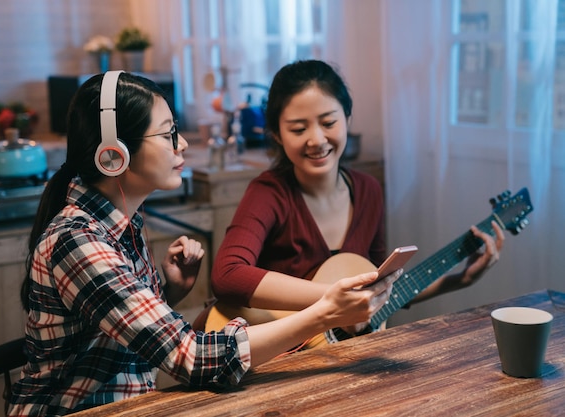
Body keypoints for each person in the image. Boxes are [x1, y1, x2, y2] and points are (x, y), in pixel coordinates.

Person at [8, 70, 398, 416]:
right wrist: (323, 313)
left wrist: (168, 291)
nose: (181, 146)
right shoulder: (80, 241)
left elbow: (116, 327)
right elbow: (191, 358)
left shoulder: (122, 221)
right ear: (115, 155)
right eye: (167, 135)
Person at [210, 59, 505, 340]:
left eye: (328, 122)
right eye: (299, 129)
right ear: (276, 134)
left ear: (347, 119)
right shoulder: (268, 193)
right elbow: (227, 275)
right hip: (285, 360)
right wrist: (333, 299)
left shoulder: (368, 190)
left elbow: (378, 290)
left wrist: (459, 280)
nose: (316, 139)